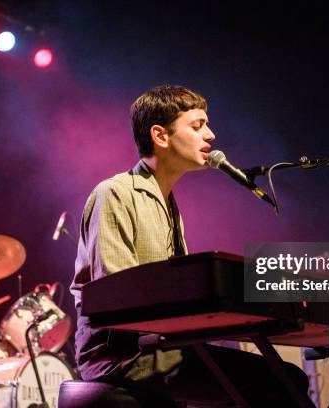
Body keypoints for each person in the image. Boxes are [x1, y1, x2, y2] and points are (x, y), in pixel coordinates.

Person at [70, 85, 311, 406]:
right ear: (160, 136)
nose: (210, 135)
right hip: (123, 356)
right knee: (281, 381)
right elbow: (119, 300)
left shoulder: (168, 204)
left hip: (160, 347)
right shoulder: (115, 193)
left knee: (287, 376)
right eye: (197, 126)